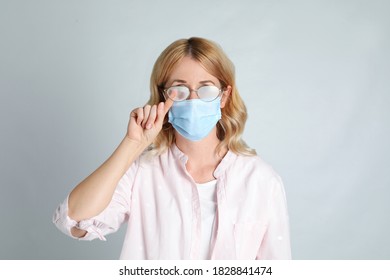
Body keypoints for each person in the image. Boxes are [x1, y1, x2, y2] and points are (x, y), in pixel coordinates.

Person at [53, 37, 291, 260]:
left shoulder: (261, 180)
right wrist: (133, 144)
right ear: (163, 96)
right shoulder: (142, 173)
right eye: (179, 89)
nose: (193, 100)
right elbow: (74, 220)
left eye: (206, 88)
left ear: (224, 96)